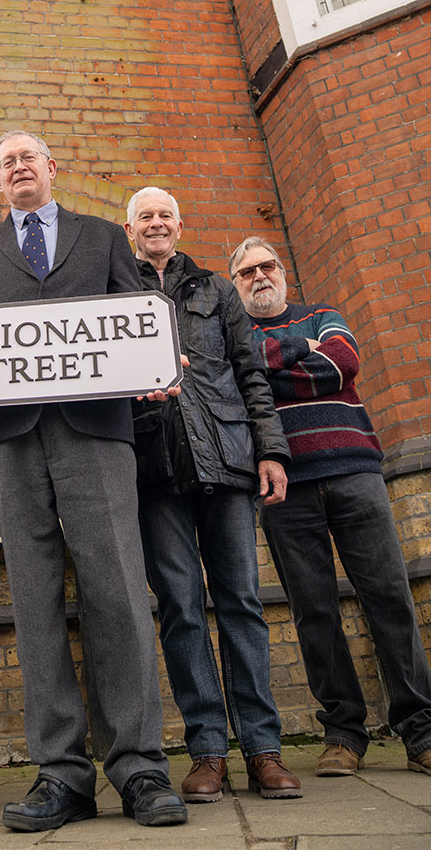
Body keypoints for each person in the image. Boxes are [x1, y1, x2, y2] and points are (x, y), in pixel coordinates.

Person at [0, 130, 187, 832]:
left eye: (29, 159)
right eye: (6, 163)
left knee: (117, 588)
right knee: (34, 602)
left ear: (52, 170)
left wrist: (156, 371)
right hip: (10, 444)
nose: (19, 169)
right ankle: (61, 773)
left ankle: (139, 765)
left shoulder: (102, 238)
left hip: (96, 435)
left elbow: (138, 323)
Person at [230, 235, 431, 781]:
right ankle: (343, 734)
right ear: (236, 284)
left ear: (283, 273)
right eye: (247, 273)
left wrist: (267, 366)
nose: (259, 277)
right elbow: (242, 385)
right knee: (313, 611)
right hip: (284, 485)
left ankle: (422, 733)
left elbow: (341, 365)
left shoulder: (323, 314)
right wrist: (289, 359)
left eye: (267, 266)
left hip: (355, 472)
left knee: (388, 597)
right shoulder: (236, 333)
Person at [124, 188, 301, 803]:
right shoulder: (117, 293)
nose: (156, 223)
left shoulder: (215, 290)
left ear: (178, 224)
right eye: (144, 216)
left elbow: (251, 372)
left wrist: (272, 450)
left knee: (243, 604)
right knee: (180, 607)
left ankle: (263, 749)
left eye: (164, 214)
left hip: (227, 459)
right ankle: (207, 751)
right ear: (130, 229)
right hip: (154, 469)